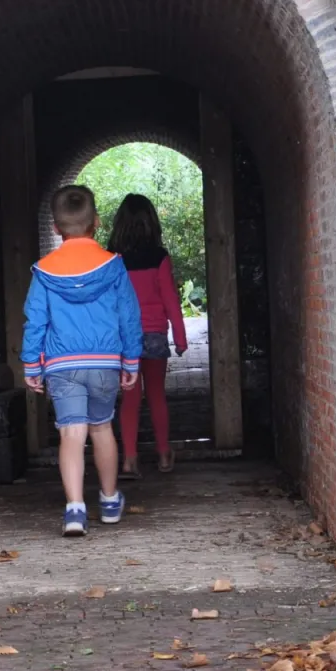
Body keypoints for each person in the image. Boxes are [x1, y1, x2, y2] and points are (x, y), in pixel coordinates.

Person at [22, 184, 143, 537]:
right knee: (102, 428)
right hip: (105, 361)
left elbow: (36, 319)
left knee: (71, 434)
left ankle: (75, 510)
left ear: (56, 228)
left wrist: (31, 364)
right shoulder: (113, 266)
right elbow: (128, 315)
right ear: (97, 222)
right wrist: (131, 361)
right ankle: (108, 501)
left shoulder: (44, 270)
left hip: (61, 364)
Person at [107, 193, 188, 478]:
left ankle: (129, 459)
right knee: (156, 394)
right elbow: (170, 300)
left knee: (129, 397)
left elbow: (108, 302)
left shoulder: (112, 259)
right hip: (153, 332)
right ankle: (164, 453)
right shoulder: (159, 257)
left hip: (123, 337)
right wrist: (180, 337)